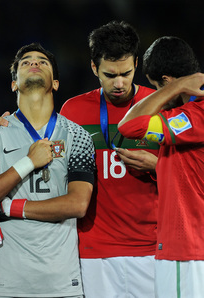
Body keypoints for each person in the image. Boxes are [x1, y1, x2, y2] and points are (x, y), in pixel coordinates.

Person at [0, 43, 95, 297]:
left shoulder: (78, 135)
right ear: (14, 84)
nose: (33, 63)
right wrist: (28, 162)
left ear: (55, 83)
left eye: (42, 62)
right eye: (25, 62)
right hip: (7, 283)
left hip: (62, 285)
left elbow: (78, 204)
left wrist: (14, 207)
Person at [59, 21, 159, 298]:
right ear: (94, 68)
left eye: (126, 73)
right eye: (109, 74)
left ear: (137, 64)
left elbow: (193, 173)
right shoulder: (74, 111)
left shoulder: (160, 106)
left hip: (152, 247)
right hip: (94, 250)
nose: (119, 83)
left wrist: (158, 166)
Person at [118, 36, 204, 298]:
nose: (162, 100)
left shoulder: (194, 116)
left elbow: (129, 126)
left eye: (157, 88)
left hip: (186, 248)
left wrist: (176, 88)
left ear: (167, 80)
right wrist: (162, 167)